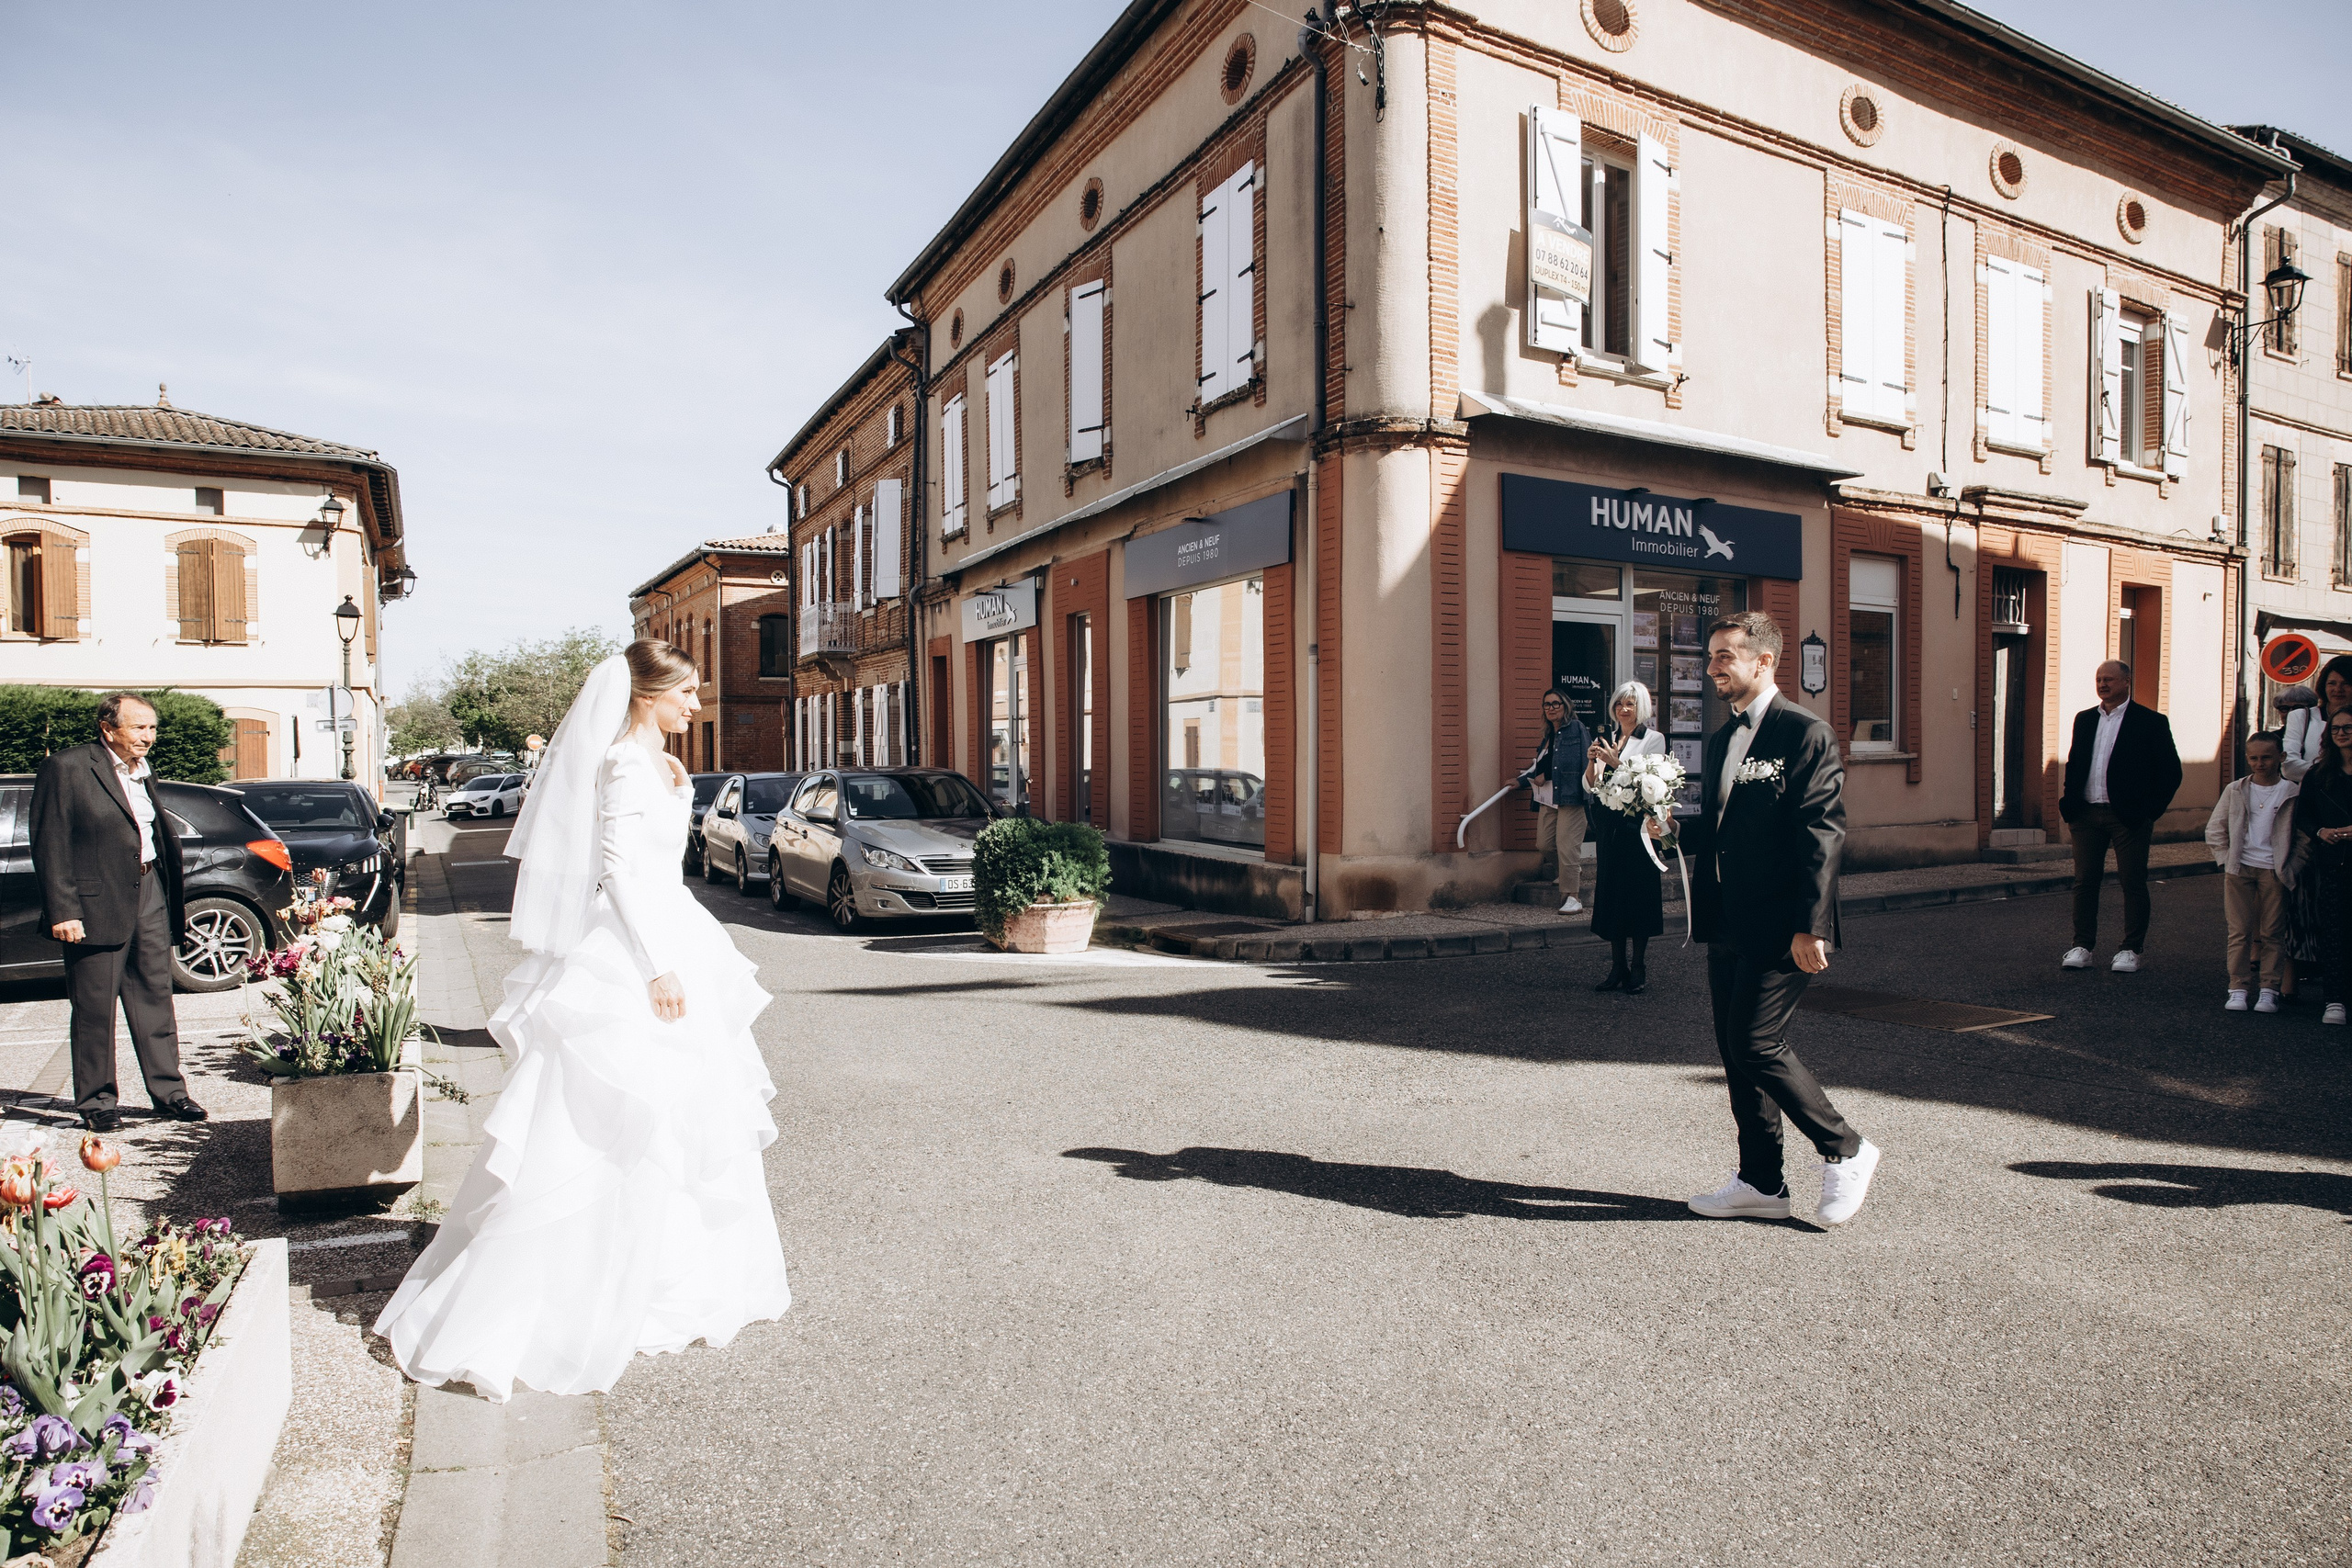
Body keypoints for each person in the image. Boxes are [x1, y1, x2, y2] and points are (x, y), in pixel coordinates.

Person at [375, 641, 789, 1400]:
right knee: (609, 1114)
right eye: (687, 691)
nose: (696, 704)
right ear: (646, 695)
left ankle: (667, 1274)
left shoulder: (659, 763)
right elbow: (618, 869)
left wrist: (675, 784)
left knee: (682, 1112)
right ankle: (569, 1291)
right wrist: (656, 964)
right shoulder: (623, 764)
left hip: (677, 932)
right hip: (637, 950)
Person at [1680, 613, 1880, 1225]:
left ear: (1763, 662)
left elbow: (1822, 831)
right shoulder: (1720, 740)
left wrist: (1813, 923)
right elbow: (1721, 828)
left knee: (1755, 1040)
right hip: (1726, 918)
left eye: (1725, 657)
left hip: (1782, 920)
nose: (1712, 667)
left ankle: (1845, 1147)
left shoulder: (1805, 733)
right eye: (1711, 656)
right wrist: (1667, 826)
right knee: (1735, 1051)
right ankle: (1761, 1181)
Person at [29, 693, 206, 1134]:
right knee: (94, 1008)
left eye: (152, 728)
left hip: (148, 890)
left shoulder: (144, 771)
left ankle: (170, 1094)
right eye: (138, 727)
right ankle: (97, 1101)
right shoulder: (68, 768)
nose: (148, 737)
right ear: (109, 729)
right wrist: (63, 910)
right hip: (92, 904)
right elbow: (49, 843)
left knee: (155, 1000)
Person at [2057, 660, 2182, 974]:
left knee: (2132, 880)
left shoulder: (2150, 722)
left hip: (2127, 815)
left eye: (2109, 679)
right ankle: (2081, 945)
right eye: (2099, 679)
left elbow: (2170, 772)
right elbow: (2075, 763)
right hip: (2086, 813)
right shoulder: (2085, 720)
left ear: (2127, 681)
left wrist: (2149, 811)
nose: (2102, 684)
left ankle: (2130, 949)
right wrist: (2069, 802)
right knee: (2085, 880)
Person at [2205, 732, 2298, 1013]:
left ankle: (2269, 990)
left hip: (2274, 870)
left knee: (2273, 932)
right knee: (2239, 932)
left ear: (2281, 757)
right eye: (2254, 758)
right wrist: (2226, 861)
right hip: (2240, 869)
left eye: (2267, 757)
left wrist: (2293, 865)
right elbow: (2215, 828)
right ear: (2247, 758)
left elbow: (2303, 836)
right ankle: (2238, 987)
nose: (2260, 763)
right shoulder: (2236, 789)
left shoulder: (2292, 791)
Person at [1585, 681, 1667, 994]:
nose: (1624, 709)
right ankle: (1617, 965)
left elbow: (1651, 783)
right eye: (1619, 703)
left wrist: (1616, 762)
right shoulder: (1608, 738)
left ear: (1642, 708)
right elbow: (1590, 785)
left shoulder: (1652, 739)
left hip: (1637, 828)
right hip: (1609, 827)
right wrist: (1593, 759)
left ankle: (1639, 965)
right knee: (1613, 895)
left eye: (1630, 704)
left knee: (1638, 895)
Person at [2290, 709, 2352, 1026]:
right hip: (2334, 863)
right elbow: (2304, 815)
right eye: (2336, 728)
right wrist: (2321, 832)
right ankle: (2335, 1000)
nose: (2341, 733)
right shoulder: (2318, 774)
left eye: (2348, 727)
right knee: (2335, 932)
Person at [1514, 686, 1589, 914]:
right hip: (1549, 797)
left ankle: (1572, 897)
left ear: (1565, 706)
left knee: (1567, 846)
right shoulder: (1549, 736)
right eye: (1547, 704)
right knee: (1544, 843)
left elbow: (1585, 761)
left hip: (1571, 796)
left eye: (1556, 703)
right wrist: (1519, 781)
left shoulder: (1576, 728)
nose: (1551, 708)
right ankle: (1567, 872)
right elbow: (1541, 767)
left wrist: (1588, 793)